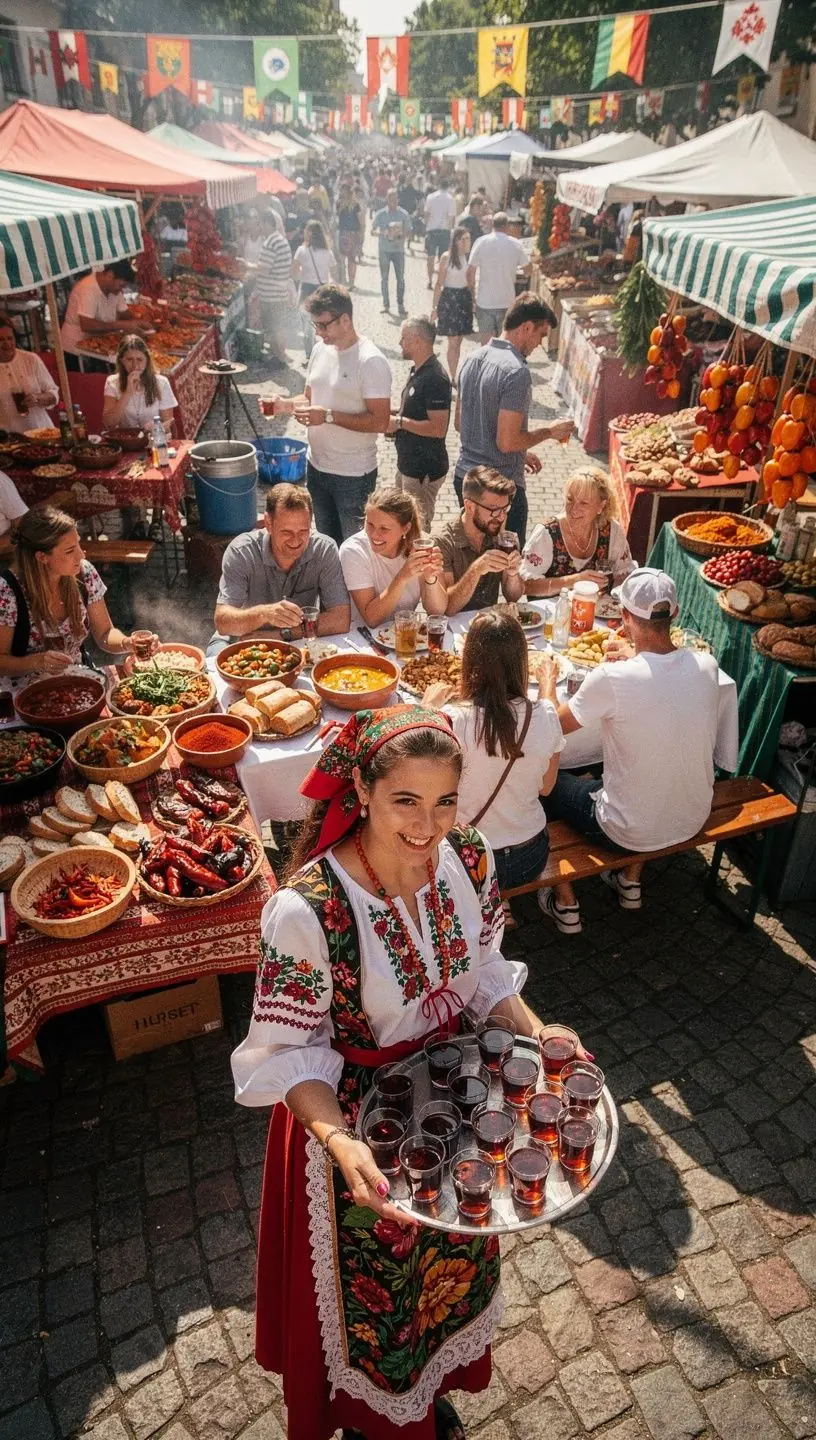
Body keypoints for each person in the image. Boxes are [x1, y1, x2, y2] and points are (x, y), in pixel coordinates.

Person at [231, 703, 587, 1440]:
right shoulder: (310, 911)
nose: (428, 827)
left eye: (445, 801)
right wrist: (339, 1142)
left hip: (458, 1108)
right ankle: (376, 1419)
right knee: (380, 1300)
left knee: (448, 1269)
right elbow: (289, 1054)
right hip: (356, 1128)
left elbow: (486, 972)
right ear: (361, 791)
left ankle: (429, 1392)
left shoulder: (473, 857)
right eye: (405, 801)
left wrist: (535, 1027)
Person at [538, 568, 725, 934]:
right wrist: (635, 656)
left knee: (543, 781)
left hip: (625, 830)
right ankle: (630, 879)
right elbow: (665, 676)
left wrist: (547, 683)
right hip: (692, 816)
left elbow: (549, 725)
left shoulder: (612, 679)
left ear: (623, 617)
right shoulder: (707, 665)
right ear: (674, 613)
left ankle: (562, 895)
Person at [423, 609, 564, 923]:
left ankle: (488, 911)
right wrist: (547, 688)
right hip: (530, 857)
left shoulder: (453, 719)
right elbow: (548, 787)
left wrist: (425, 708)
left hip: (469, 862)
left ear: (469, 660)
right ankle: (506, 905)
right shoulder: (545, 715)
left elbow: (411, 764)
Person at [455, 294, 572, 548]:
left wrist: (522, 450)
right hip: (498, 491)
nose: (539, 344)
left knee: (472, 563)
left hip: (465, 479)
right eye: (540, 335)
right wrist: (549, 431)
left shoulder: (471, 359)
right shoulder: (517, 372)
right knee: (506, 568)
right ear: (526, 327)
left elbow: (459, 423)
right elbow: (507, 442)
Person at [0, 505, 155, 685]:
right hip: (24, 690)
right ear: (42, 557)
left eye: (78, 545)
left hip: (78, 678)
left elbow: (105, 633)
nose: (81, 555)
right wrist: (38, 662)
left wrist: (127, 643)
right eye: (69, 550)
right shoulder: (7, 592)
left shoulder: (84, 574)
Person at [293, 285, 392, 547]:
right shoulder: (319, 350)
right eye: (315, 326)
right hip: (316, 468)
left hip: (352, 475)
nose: (319, 333)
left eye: (324, 326)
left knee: (354, 551)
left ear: (345, 320)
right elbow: (308, 397)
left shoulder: (371, 361)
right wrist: (282, 405)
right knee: (326, 546)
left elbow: (381, 421)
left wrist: (326, 417)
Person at [213, 484, 350, 650]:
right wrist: (265, 614)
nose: (296, 541)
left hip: (296, 639)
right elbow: (223, 622)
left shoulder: (324, 549)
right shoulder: (241, 551)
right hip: (241, 637)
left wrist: (283, 634)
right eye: (287, 532)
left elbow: (341, 620)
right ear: (268, 524)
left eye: (303, 531)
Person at [339, 486, 445, 627]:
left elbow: (437, 610)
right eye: (369, 524)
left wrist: (431, 577)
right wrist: (402, 577)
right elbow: (371, 619)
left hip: (404, 634)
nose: (374, 535)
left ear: (405, 528)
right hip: (362, 638)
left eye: (384, 528)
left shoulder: (421, 546)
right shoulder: (353, 551)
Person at [520, 467, 635, 597]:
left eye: (584, 503)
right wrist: (574, 580)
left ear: (601, 506)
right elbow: (526, 586)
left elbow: (625, 575)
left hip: (597, 610)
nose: (574, 510)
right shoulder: (547, 533)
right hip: (552, 613)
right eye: (570, 500)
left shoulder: (612, 531)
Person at [387, 317, 452, 530]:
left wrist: (399, 422)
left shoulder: (436, 378)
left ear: (416, 341)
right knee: (402, 520)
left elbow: (437, 428)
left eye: (403, 338)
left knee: (417, 528)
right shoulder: (418, 370)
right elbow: (415, 412)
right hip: (408, 464)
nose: (399, 343)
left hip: (423, 469)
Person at [438, 466, 525, 614]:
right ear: (469, 506)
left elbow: (513, 596)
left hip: (489, 626)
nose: (501, 517)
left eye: (505, 509)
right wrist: (476, 570)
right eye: (494, 510)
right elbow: (447, 609)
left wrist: (512, 574)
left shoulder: (502, 536)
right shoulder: (443, 542)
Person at [60, 260, 142, 365]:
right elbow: (86, 325)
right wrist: (120, 325)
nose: (121, 290)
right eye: (121, 285)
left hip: (100, 349)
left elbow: (126, 314)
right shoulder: (88, 288)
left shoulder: (115, 290)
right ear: (110, 275)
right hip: (75, 350)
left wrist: (140, 323)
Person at [467, 214, 531, 343]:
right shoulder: (516, 244)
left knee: (486, 343)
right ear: (507, 226)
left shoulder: (481, 242)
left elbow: (470, 273)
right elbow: (528, 270)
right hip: (506, 301)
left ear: (492, 225)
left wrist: (472, 295)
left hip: (485, 301)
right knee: (504, 343)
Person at [102, 334, 177, 435]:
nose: (135, 366)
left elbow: (169, 425)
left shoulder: (161, 383)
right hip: (126, 442)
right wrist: (127, 393)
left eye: (140, 360)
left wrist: (156, 428)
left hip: (154, 440)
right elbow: (109, 423)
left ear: (147, 361)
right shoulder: (112, 382)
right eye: (129, 360)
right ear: (121, 360)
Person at [0, 316, 59, 433]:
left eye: (10, 338)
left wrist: (37, 398)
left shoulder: (30, 359)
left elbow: (53, 395)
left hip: (41, 431)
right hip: (9, 438)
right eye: (0, 340)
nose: (7, 343)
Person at [431, 226, 474, 383]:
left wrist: (473, 301)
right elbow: (439, 284)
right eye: (464, 239)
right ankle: (453, 376)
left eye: (469, 239)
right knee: (453, 341)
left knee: (459, 341)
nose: (467, 242)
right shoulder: (446, 257)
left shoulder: (469, 258)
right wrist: (434, 307)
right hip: (450, 299)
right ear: (456, 241)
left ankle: (455, 371)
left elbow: (470, 282)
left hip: (464, 299)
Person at [292, 221, 338, 360]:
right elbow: (334, 273)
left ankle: (310, 354)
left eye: (306, 230)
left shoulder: (301, 250)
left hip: (306, 290)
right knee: (324, 322)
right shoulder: (328, 252)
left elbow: (294, 272)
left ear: (310, 233)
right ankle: (326, 351)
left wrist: (303, 273)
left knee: (307, 324)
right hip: (322, 290)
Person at [256, 212, 294, 367]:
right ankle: (278, 356)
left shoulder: (272, 242)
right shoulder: (279, 240)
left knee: (275, 327)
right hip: (277, 293)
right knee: (277, 326)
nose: (260, 228)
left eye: (261, 224)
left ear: (268, 224)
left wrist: (247, 265)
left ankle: (278, 359)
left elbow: (264, 269)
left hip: (272, 295)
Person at [371, 190, 412, 316]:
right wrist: (384, 233)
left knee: (400, 279)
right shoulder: (380, 214)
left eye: (395, 199)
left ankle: (400, 304)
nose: (394, 201)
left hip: (398, 250)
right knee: (384, 278)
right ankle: (386, 304)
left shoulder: (403, 214)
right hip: (384, 250)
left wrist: (401, 235)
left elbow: (410, 232)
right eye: (391, 199)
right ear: (387, 200)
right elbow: (372, 231)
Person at [423, 177, 457, 287]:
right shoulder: (450, 199)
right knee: (442, 258)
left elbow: (427, 214)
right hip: (444, 231)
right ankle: (440, 281)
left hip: (432, 230)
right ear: (447, 187)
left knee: (430, 256)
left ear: (438, 185)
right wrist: (452, 231)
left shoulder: (430, 197)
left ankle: (429, 280)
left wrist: (426, 227)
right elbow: (452, 217)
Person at [335, 182, 362, 288]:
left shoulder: (356, 204)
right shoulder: (339, 203)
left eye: (344, 190)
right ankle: (343, 279)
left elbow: (360, 219)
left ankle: (351, 281)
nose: (342, 192)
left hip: (353, 232)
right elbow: (337, 214)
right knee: (341, 257)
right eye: (341, 190)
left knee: (352, 258)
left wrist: (361, 233)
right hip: (343, 232)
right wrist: (342, 205)